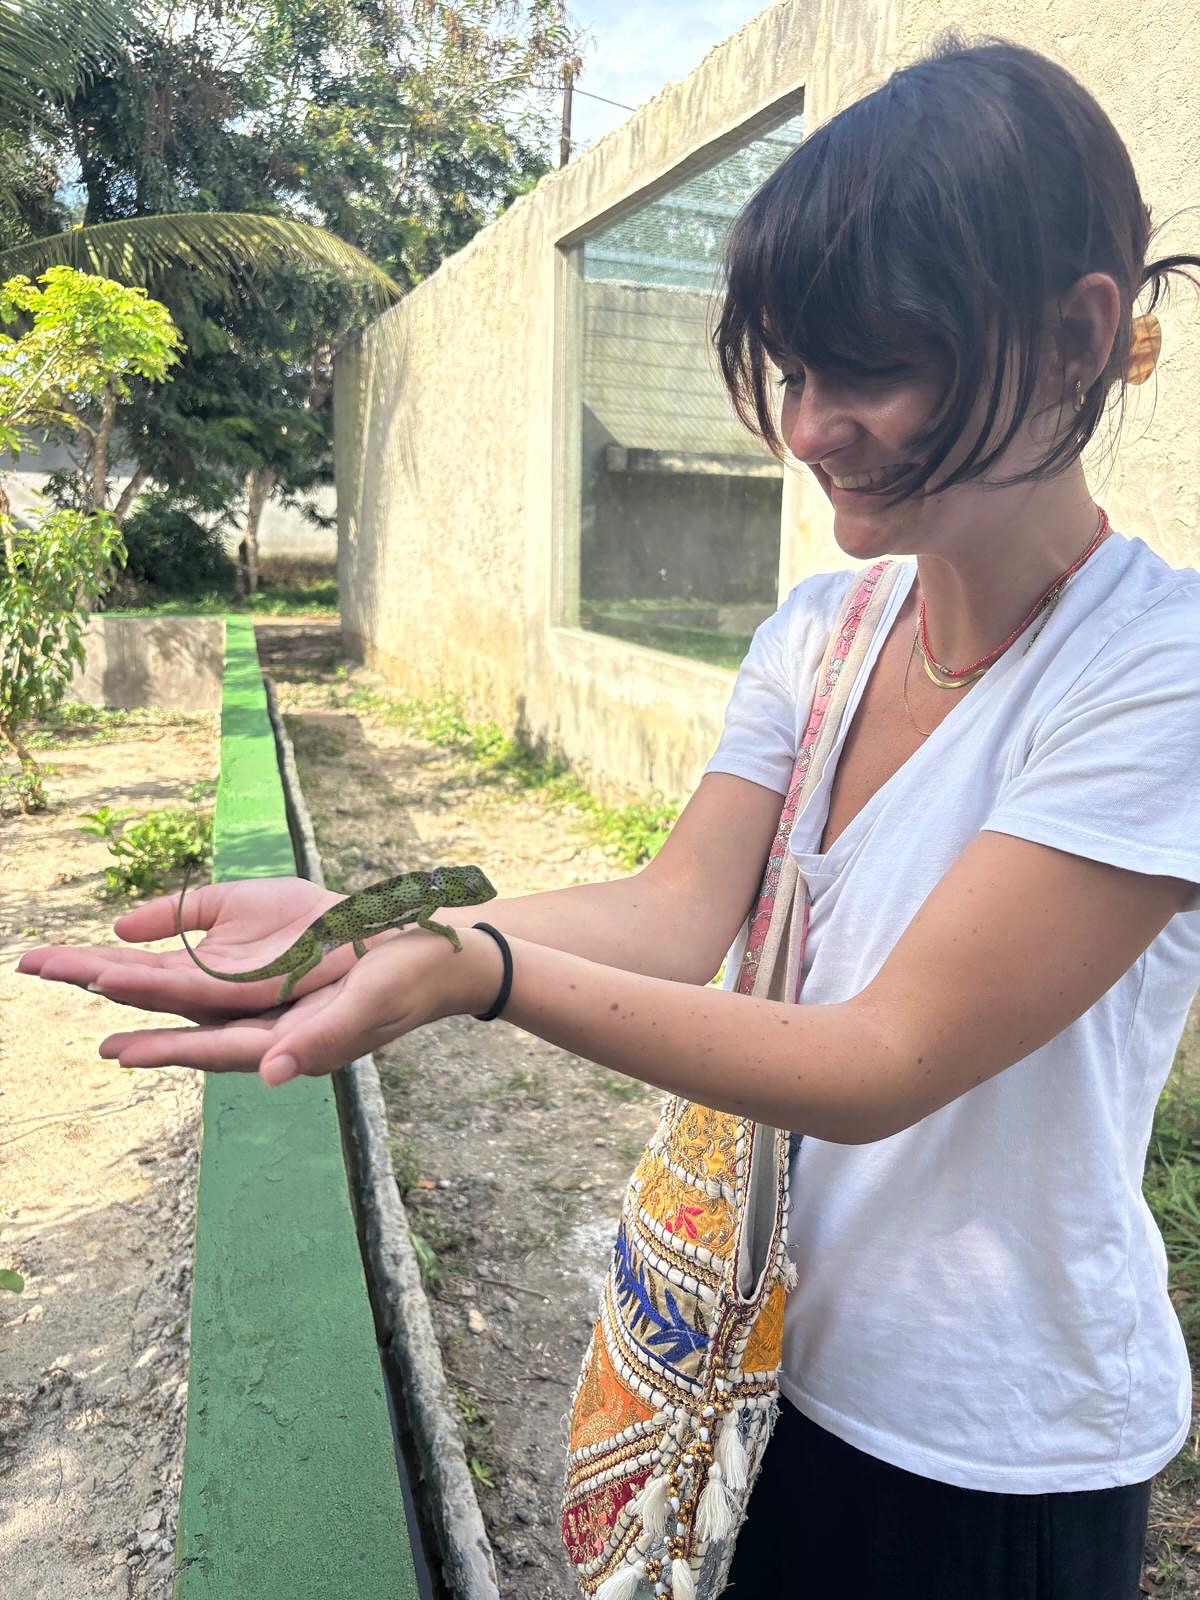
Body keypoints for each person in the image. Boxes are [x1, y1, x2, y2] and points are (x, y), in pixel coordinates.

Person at [19, 29, 1200, 1600]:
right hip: (753, 1360)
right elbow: (672, 912)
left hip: (989, 1442)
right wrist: (373, 923)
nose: (808, 425)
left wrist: (471, 970)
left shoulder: (1155, 676)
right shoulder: (823, 634)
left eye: (873, 368)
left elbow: (882, 1061)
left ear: (1075, 340)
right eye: (794, 369)